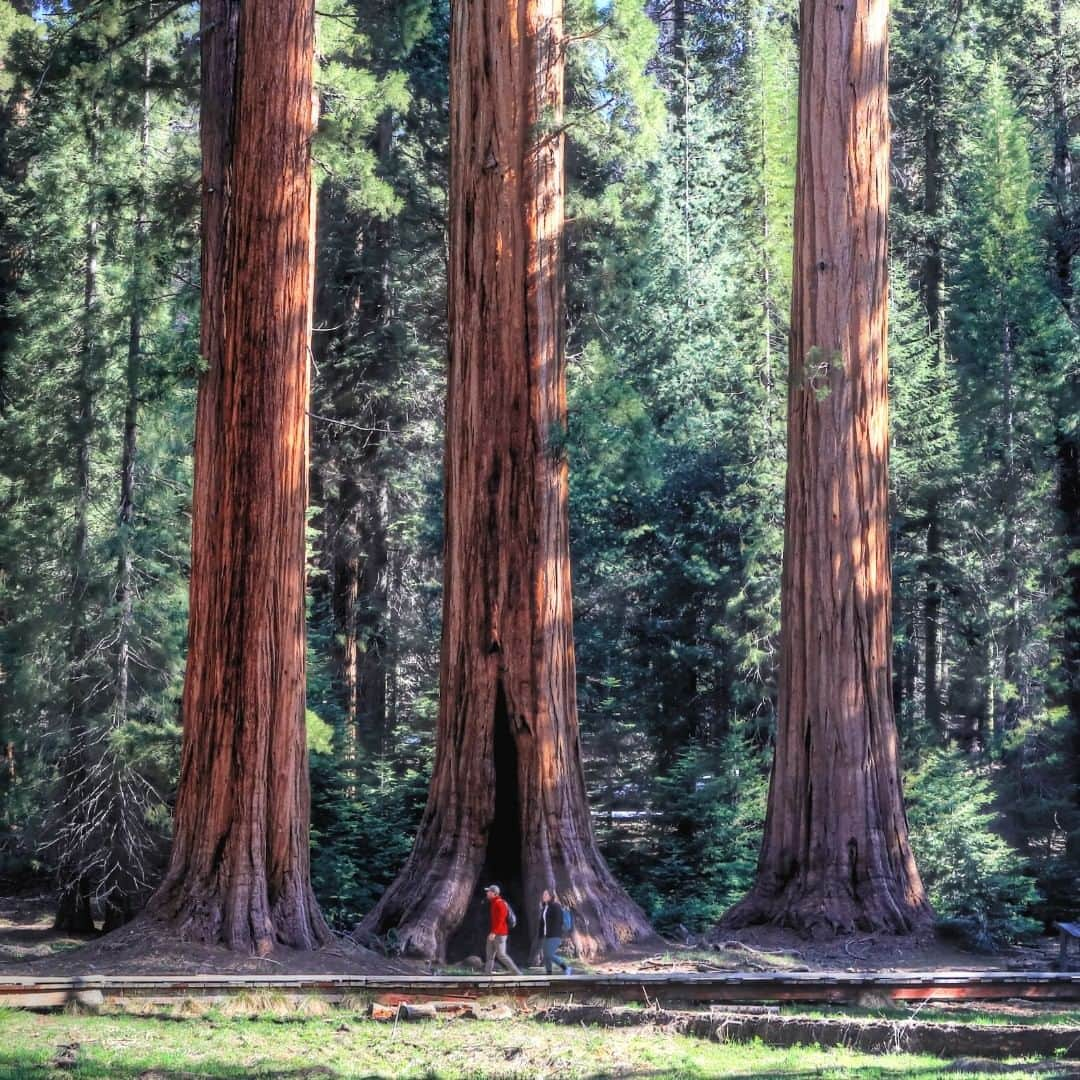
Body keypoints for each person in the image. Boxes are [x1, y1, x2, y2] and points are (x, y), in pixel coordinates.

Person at [483, 884, 521, 975]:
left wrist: (494, 933)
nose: (487, 893)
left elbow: (501, 920)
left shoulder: (500, 903)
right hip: (494, 933)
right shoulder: (493, 903)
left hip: (500, 934)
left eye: (489, 891)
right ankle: (487, 973)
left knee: (501, 955)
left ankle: (516, 972)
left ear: (494, 893)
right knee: (489, 955)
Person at [538, 888, 572, 975]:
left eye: (546, 894)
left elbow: (558, 921)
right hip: (546, 935)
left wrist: (553, 932)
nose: (543, 896)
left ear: (550, 896)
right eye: (543, 894)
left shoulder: (555, 906)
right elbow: (542, 923)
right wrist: (540, 934)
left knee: (549, 954)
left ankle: (566, 967)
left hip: (554, 935)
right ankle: (549, 973)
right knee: (546, 956)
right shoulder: (544, 907)